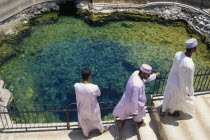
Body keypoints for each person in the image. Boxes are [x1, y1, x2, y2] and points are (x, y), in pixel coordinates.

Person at [160, 38, 198, 116]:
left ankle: (163, 111)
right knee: (175, 98)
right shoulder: (190, 64)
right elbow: (189, 80)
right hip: (179, 83)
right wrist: (190, 91)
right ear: (193, 49)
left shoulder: (178, 54)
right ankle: (171, 112)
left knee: (167, 94)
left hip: (171, 79)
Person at [74, 68, 106, 137]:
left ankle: (86, 133)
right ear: (89, 76)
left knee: (84, 121)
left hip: (82, 108)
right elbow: (98, 94)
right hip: (92, 108)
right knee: (97, 119)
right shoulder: (94, 87)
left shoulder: (76, 86)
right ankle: (101, 130)